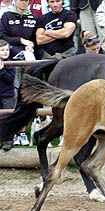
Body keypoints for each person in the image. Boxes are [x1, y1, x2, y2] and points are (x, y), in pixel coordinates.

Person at [0, 0, 38, 147]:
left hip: (29, 61)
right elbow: (2, 37)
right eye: (21, 0)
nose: (24, 3)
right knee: (12, 95)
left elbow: (36, 39)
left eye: (27, 0)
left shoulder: (33, 18)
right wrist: (21, 41)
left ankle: (21, 132)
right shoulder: (7, 16)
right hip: (10, 59)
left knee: (26, 96)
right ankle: (7, 135)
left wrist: (31, 46)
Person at [0, 40, 16, 151]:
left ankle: (8, 140)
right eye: (2, 50)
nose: (5, 52)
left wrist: (1, 70)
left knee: (8, 118)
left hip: (7, 95)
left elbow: (10, 80)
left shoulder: (10, 64)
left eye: (7, 49)